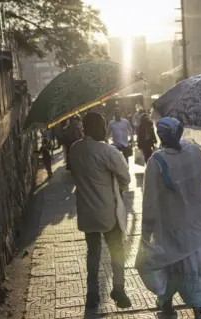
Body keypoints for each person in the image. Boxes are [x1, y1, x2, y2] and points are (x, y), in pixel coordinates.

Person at [136, 118, 201, 318]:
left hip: (170, 226)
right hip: (196, 223)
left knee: (171, 265)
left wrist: (147, 232)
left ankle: (168, 307)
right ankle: (198, 310)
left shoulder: (156, 161)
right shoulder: (193, 152)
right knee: (196, 268)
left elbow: (149, 201)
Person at [69, 112, 132, 309]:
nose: (106, 129)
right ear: (94, 128)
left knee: (93, 252)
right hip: (107, 213)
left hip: (87, 212)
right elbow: (125, 177)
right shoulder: (107, 151)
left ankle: (92, 293)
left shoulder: (74, 149)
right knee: (117, 250)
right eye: (103, 126)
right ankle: (119, 289)